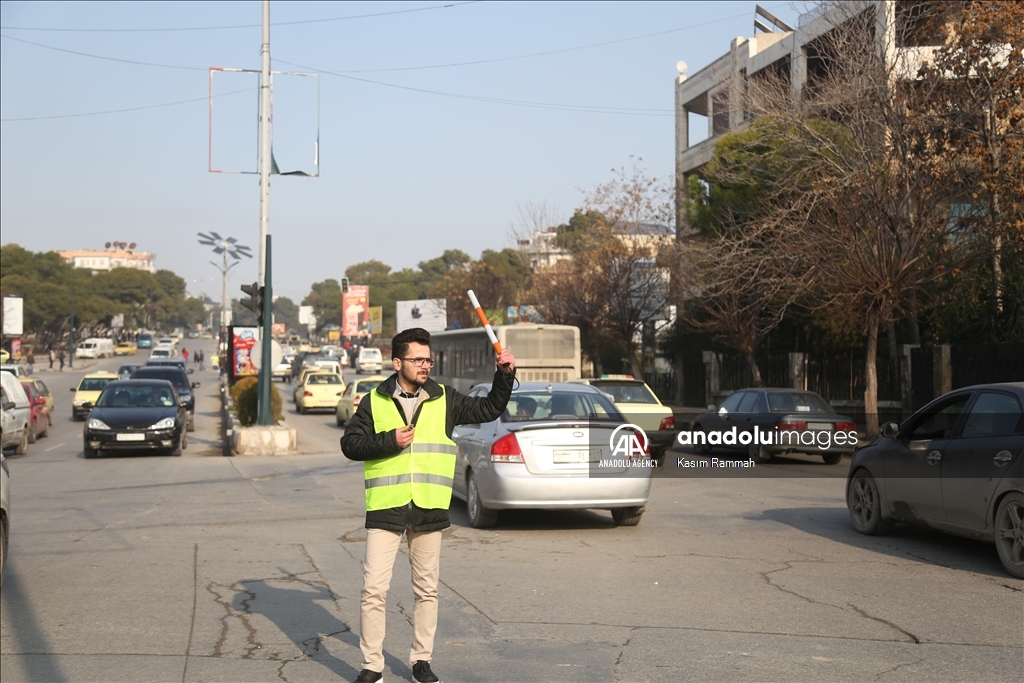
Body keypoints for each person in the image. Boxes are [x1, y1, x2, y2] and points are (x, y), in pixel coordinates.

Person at [340, 328, 516, 683]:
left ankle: (421, 659)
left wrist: (504, 375)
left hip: (429, 508)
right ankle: (372, 665)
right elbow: (350, 445)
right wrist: (390, 440)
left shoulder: (444, 398)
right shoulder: (373, 401)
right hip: (386, 508)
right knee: (373, 589)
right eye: (418, 359)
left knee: (427, 590)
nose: (425, 365)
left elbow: (488, 407)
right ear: (397, 362)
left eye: (428, 359)